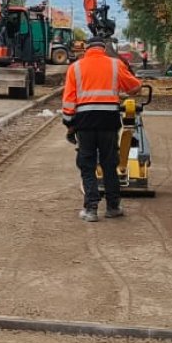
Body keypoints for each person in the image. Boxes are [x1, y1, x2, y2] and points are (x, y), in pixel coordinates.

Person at [62, 38, 142, 222]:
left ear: (86, 49)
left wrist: (69, 124)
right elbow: (135, 86)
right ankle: (113, 207)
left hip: (85, 123)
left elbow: (68, 101)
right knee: (109, 164)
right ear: (104, 48)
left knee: (87, 165)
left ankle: (90, 210)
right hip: (108, 121)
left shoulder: (75, 67)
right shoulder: (115, 65)